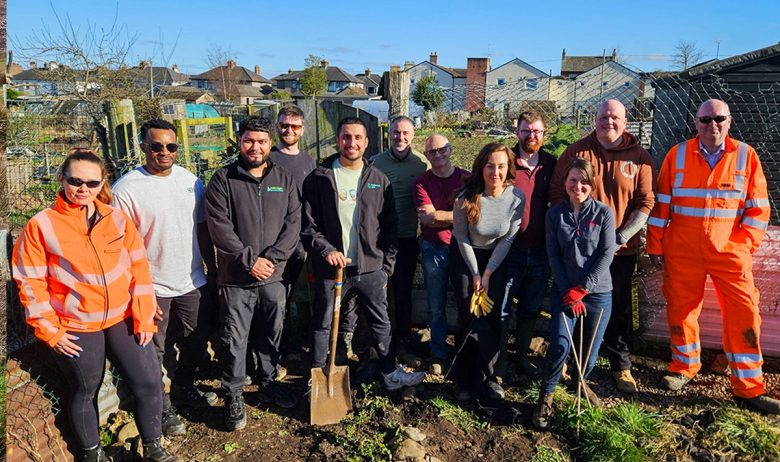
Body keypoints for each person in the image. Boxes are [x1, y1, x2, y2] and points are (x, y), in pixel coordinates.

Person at [12, 150, 178, 462]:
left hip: (122, 317)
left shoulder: (115, 218)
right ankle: (92, 454)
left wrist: (143, 314)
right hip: (76, 325)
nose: (83, 189)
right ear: (62, 180)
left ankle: (154, 446)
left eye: (91, 182)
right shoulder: (41, 226)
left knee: (148, 381)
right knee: (86, 390)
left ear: (102, 183)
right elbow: (29, 283)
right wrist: (51, 330)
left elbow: (139, 267)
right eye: (75, 181)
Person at [647, 99, 779, 414]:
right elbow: (661, 205)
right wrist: (655, 244)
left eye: (719, 118)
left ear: (729, 121)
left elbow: (759, 209)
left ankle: (748, 386)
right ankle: (684, 366)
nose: (712, 125)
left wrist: (744, 245)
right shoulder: (676, 155)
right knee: (682, 309)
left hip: (730, 253)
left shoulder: (746, 156)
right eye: (705, 119)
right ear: (696, 123)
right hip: (683, 251)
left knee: (744, 313)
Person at [301, 117, 426, 392]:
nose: (352, 143)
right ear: (337, 140)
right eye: (346, 137)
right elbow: (308, 226)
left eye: (358, 138)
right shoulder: (320, 178)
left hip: (370, 268)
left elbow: (390, 226)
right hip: (331, 269)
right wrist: (326, 250)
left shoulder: (377, 180)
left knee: (381, 321)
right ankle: (320, 379)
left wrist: (385, 266)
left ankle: (390, 372)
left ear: (367, 142)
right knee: (323, 323)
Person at [112, 119, 217, 438]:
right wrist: (134, 290)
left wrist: (211, 270)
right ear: (143, 147)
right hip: (151, 286)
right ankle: (163, 406)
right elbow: (118, 246)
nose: (164, 152)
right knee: (153, 350)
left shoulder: (190, 182)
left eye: (171, 146)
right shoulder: (126, 189)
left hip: (191, 280)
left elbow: (202, 228)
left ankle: (184, 387)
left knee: (198, 337)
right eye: (156, 146)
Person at [549, 99, 655, 394]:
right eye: (603, 116)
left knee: (618, 307)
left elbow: (645, 203)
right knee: (577, 301)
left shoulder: (639, 157)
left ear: (626, 122)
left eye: (615, 117)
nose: (609, 121)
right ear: (593, 120)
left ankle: (620, 365)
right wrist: (571, 232)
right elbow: (558, 192)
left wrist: (619, 237)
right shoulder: (576, 152)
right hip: (578, 251)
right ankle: (572, 360)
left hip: (620, 249)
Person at [205, 116, 301, 431]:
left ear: (270, 143)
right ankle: (233, 395)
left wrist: (271, 259)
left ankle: (269, 381)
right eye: (249, 140)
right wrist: (249, 260)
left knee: (272, 331)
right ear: (239, 141)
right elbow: (219, 227)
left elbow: (293, 223)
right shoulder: (223, 180)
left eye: (261, 141)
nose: (255, 147)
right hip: (236, 278)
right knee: (235, 337)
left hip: (273, 276)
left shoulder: (283, 178)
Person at [533, 158, 615, 430]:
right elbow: (553, 255)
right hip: (565, 291)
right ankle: (547, 394)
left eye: (584, 181)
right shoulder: (554, 215)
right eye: (572, 180)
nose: (577, 186)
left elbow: (606, 253)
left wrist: (584, 288)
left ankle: (581, 383)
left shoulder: (603, 213)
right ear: (564, 182)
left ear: (592, 184)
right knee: (559, 345)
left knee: (588, 353)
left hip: (596, 293)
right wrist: (569, 289)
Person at [449, 143, 523, 416]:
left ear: (509, 168)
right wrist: (476, 273)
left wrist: (489, 272)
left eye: (501, 166)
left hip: (496, 260)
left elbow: (508, 238)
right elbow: (461, 237)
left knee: (492, 318)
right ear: (481, 167)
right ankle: (462, 377)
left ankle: (489, 376)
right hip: (466, 257)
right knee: (468, 313)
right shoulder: (465, 197)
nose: (496, 171)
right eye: (490, 165)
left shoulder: (516, 198)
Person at [498, 111, 557, 380]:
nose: (531, 136)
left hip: (540, 250)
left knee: (531, 308)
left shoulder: (551, 164)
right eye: (526, 131)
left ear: (544, 135)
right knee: (502, 307)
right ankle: (498, 361)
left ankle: (521, 355)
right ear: (516, 132)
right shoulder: (505, 161)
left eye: (536, 131)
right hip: (509, 249)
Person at [369, 116, 430, 360]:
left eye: (405, 133)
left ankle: (403, 338)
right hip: (379, 239)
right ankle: (377, 341)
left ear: (413, 135)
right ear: (389, 134)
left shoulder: (422, 164)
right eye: (396, 132)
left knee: (403, 291)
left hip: (406, 238)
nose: (400, 137)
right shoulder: (375, 163)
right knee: (378, 291)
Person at [414, 134, 469, 375]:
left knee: (465, 302)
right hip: (433, 248)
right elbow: (428, 217)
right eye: (432, 152)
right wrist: (460, 214)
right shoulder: (421, 183)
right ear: (426, 156)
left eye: (442, 149)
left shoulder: (466, 177)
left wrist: (442, 215)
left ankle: (463, 351)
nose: (438, 155)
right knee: (435, 306)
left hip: (464, 249)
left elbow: (477, 212)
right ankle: (438, 352)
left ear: (450, 149)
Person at [269, 104, 316, 358]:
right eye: (284, 125)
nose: (289, 130)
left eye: (294, 126)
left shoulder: (308, 161)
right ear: (277, 127)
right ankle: (278, 345)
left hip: (302, 239)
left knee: (299, 293)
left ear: (302, 130)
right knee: (277, 294)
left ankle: (297, 340)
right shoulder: (269, 158)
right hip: (275, 239)